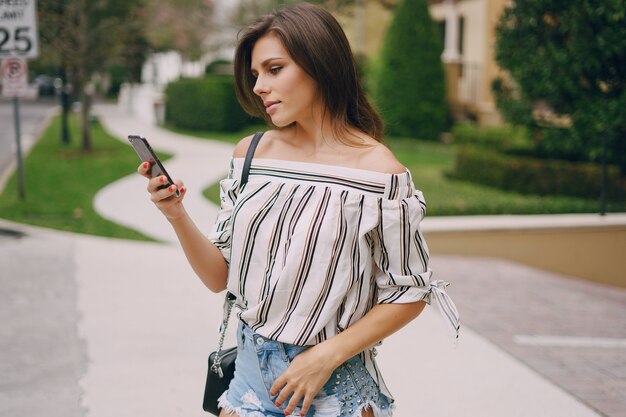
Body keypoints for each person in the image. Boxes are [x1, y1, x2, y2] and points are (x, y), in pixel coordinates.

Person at [137, 3, 459, 417]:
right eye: (255, 75)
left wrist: (325, 356)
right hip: (250, 382)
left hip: (335, 390)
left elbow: (410, 292)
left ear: (320, 65)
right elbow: (220, 277)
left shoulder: (380, 174)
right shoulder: (251, 155)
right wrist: (176, 214)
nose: (258, 87)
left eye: (274, 69)